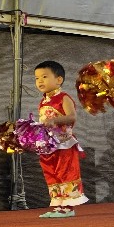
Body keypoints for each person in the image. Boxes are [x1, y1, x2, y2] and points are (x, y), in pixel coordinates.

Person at [33, 60, 88, 218]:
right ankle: (58, 206)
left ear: (59, 79)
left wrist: (55, 120)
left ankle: (68, 207)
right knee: (51, 173)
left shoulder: (63, 98)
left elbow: (72, 117)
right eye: (37, 78)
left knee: (65, 173)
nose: (40, 81)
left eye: (44, 77)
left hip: (64, 144)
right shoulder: (43, 101)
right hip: (48, 145)